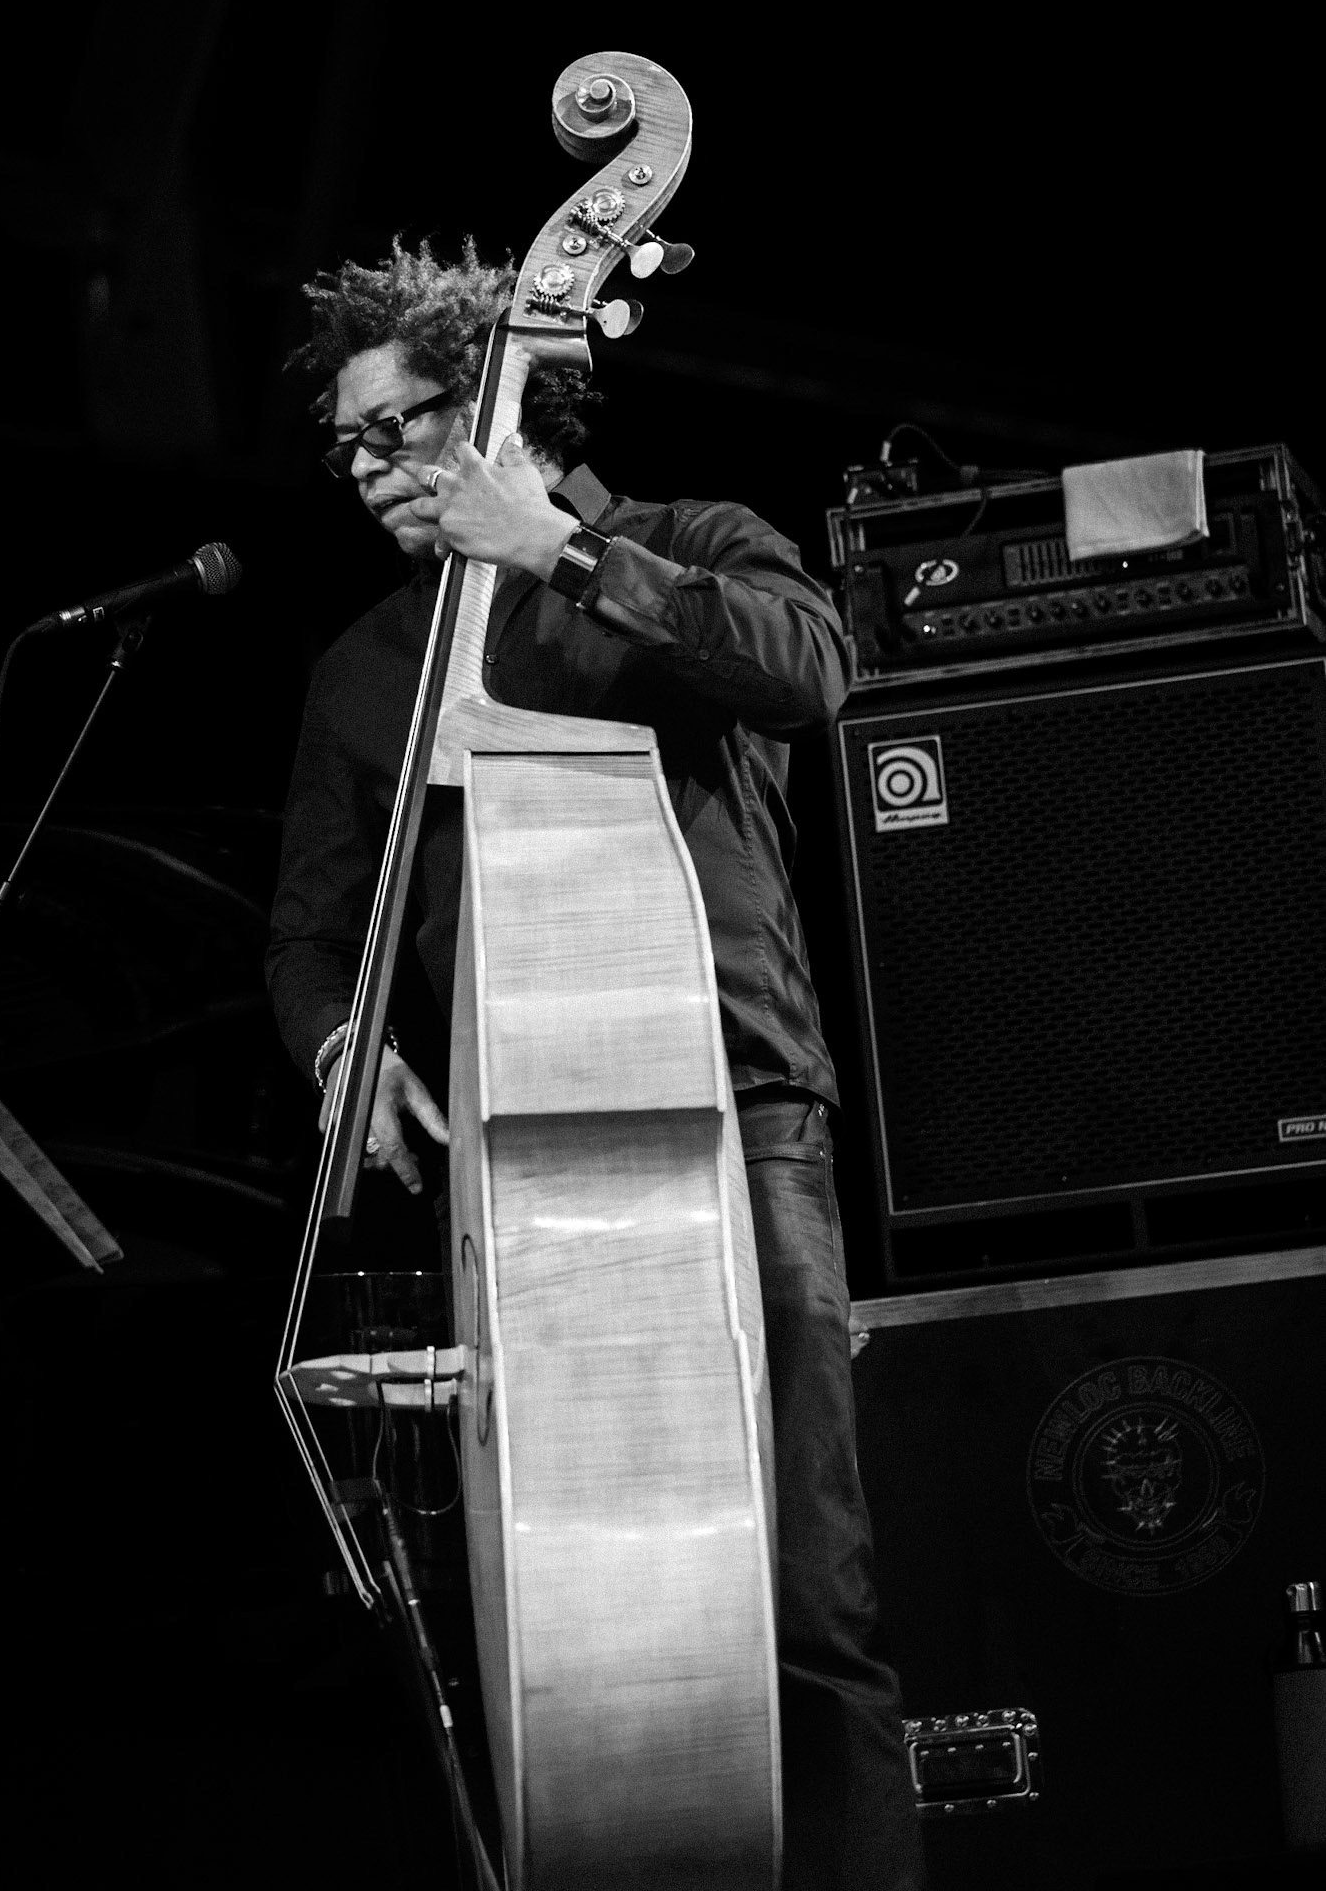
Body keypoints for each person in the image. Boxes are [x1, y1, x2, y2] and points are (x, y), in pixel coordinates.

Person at [267, 239, 926, 1891]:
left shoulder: (680, 544)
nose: (369, 472)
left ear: (505, 403)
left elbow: (808, 672)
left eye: (397, 430)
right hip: (515, 1166)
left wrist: (556, 555)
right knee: (567, 1625)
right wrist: (347, 1048)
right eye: (348, 447)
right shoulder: (362, 670)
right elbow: (305, 936)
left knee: (804, 1598)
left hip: (733, 1118)